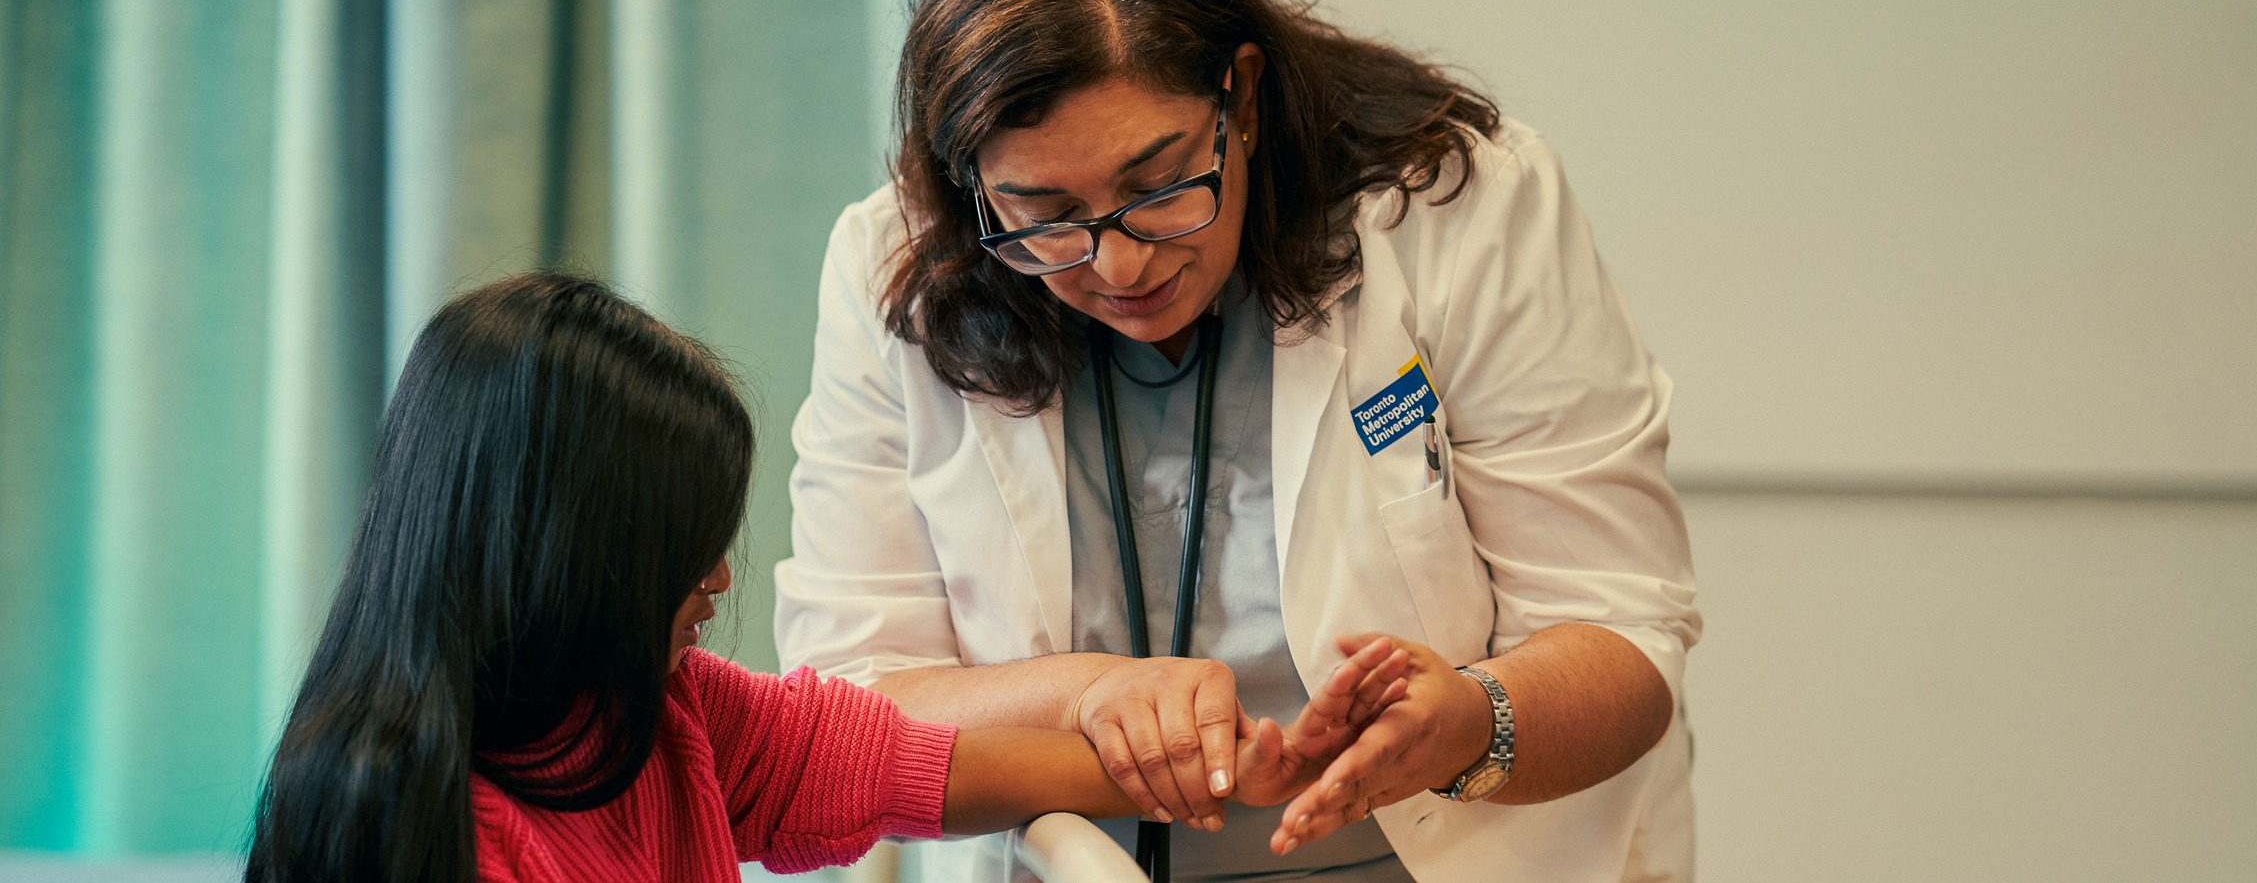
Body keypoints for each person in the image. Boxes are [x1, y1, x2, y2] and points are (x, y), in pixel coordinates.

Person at [773, 0, 1703, 881]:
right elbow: (851, 702)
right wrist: (1083, 693)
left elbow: (1619, 636)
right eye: (1043, 212)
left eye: (1160, 185)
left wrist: (1472, 723)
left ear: (1242, 97)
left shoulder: (1454, 210)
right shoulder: (900, 266)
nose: (1118, 265)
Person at [242, 272, 1410, 883]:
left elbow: (917, 766)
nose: (714, 577)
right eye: (680, 545)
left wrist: (1233, 764)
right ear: (559, 560)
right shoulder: (414, 823)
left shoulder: (669, 724)